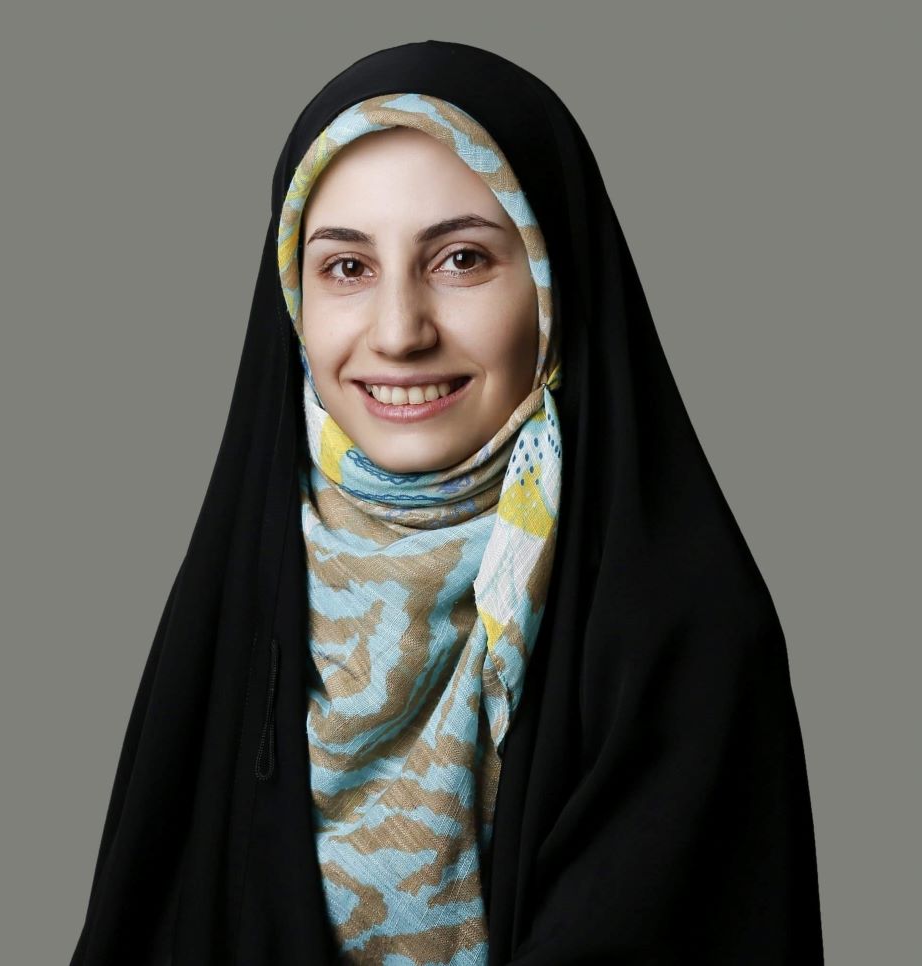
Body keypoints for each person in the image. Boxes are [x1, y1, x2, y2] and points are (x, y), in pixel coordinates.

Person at [69, 40, 825, 965]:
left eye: (461, 259)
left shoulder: (688, 633)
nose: (400, 333)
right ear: (293, 300)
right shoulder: (236, 596)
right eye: (347, 268)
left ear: (552, 283)